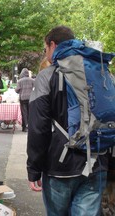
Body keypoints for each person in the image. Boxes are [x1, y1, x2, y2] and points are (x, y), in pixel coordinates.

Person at [27, 25, 108, 216]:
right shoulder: (102, 73)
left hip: (60, 167)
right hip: (97, 162)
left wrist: (34, 169)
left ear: (52, 45)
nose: (45, 53)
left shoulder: (47, 76)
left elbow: (39, 128)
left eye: (45, 49)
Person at [15, 68, 34, 132]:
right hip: (31, 98)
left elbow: (17, 90)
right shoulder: (32, 80)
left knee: (24, 113)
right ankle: (30, 126)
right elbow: (35, 87)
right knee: (30, 113)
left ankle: (25, 127)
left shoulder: (20, 81)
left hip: (22, 98)